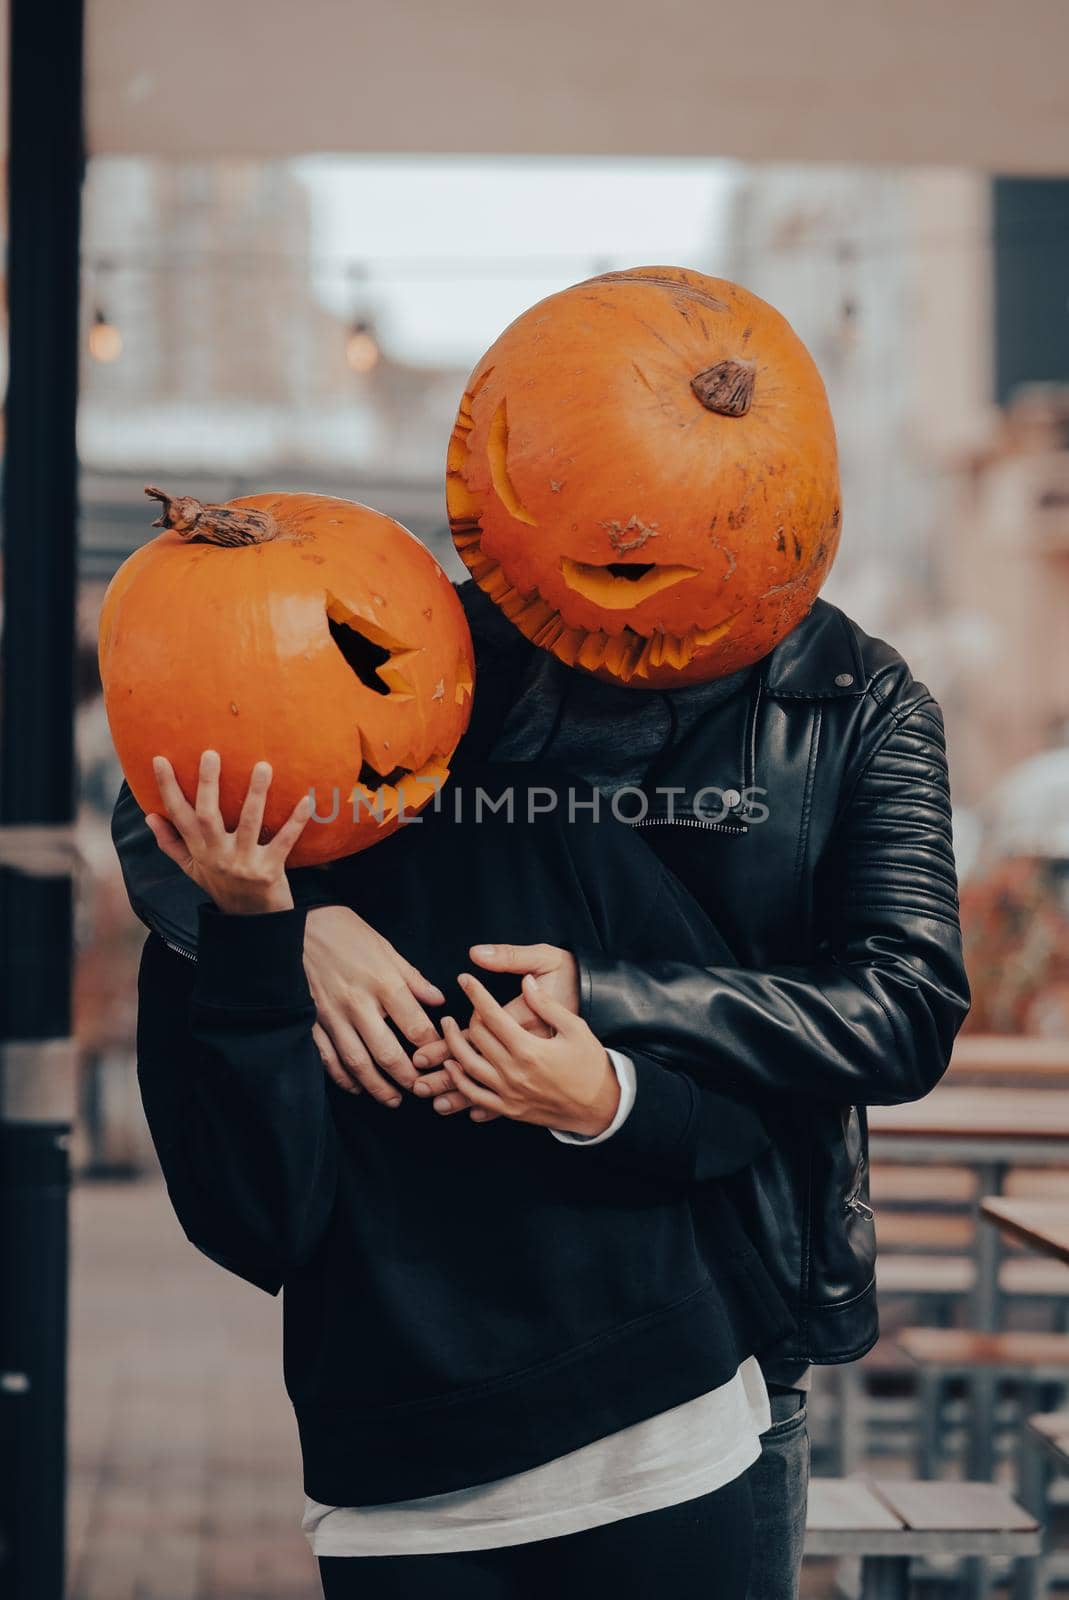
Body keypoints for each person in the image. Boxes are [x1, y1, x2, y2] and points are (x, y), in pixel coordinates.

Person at [114, 567, 971, 1598]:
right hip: (399, 1476)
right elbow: (255, 1224)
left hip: (683, 1396)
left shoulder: (587, 815)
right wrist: (277, 930)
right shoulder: (240, 910)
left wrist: (600, 1071)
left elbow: (869, 1030)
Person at [133, 742, 798, 1597]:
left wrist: (600, 1098)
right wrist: (261, 933)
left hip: (657, 1450)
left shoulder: (538, 813)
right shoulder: (201, 941)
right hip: (402, 1495)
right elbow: (262, 1230)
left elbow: (747, 1098)